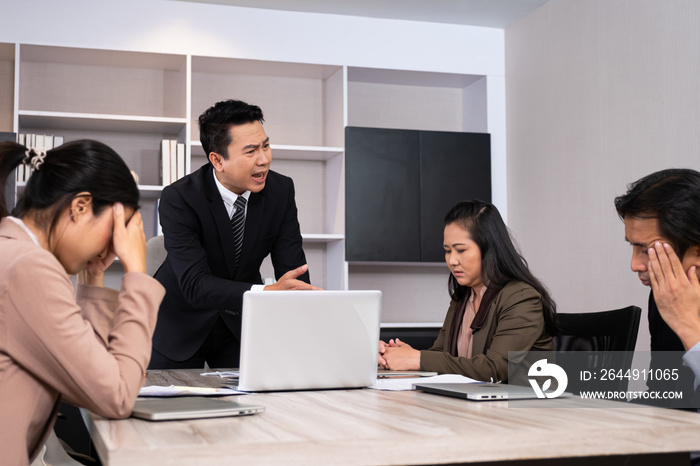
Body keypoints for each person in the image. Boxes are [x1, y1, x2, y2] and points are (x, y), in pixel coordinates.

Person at [0, 140, 165, 466]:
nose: (113, 250)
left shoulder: (18, 254)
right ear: (79, 207)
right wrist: (136, 273)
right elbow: (116, 395)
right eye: (115, 231)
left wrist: (92, 281)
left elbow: (90, 381)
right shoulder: (28, 268)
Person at [150, 99, 319, 370]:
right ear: (217, 160)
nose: (264, 159)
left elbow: (294, 272)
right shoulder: (180, 198)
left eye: (265, 145)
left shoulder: (281, 191)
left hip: (237, 324)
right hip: (179, 324)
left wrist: (308, 326)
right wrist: (267, 292)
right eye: (251, 151)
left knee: (254, 404)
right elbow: (195, 285)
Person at [378, 200, 558, 382]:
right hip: (475, 403)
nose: (452, 260)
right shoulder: (463, 296)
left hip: (524, 406)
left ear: (489, 249)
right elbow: (441, 355)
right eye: (447, 251)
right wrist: (394, 355)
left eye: (461, 250)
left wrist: (417, 359)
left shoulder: (522, 298)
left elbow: (496, 369)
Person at [615, 168, 700, 398]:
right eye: (632, 246)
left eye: (647, 250)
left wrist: (689, 326)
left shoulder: (673, 299)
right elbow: (664, 393)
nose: (634, 265)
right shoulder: (665, 294)